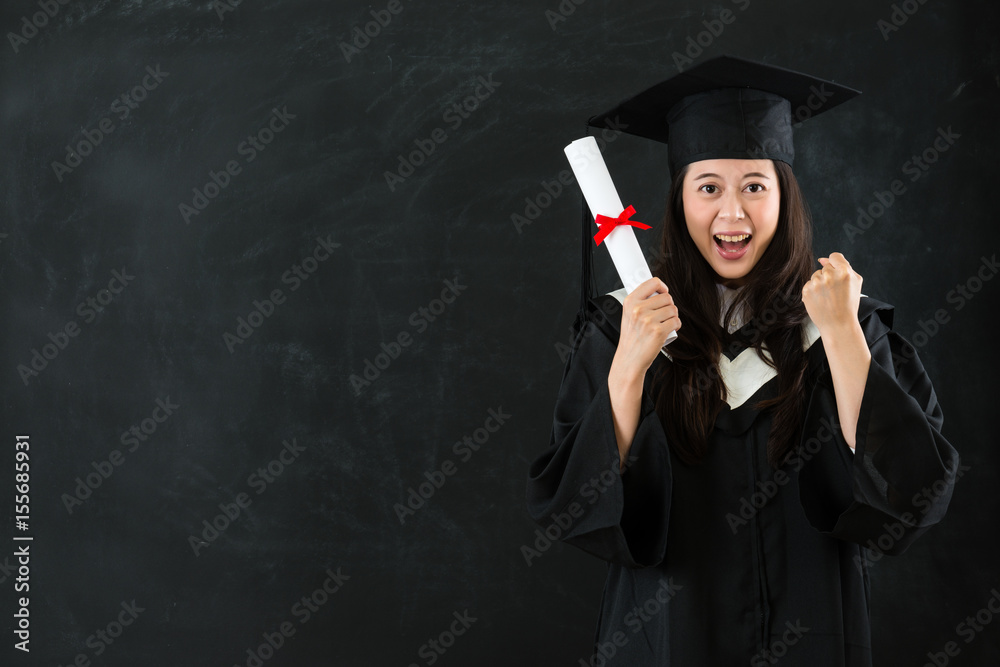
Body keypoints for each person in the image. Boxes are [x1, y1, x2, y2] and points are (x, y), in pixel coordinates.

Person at [526, 56, 960, 666]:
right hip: (669, 635)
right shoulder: (622, 326)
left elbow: (913, 492)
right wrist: (628, 368)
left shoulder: (843, 320)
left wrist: (840, 334)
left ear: (785, 197)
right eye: (709, 188)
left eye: (755, 186)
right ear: (679, 200)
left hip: (813, 634)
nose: (732, 214)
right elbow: (574, 510)